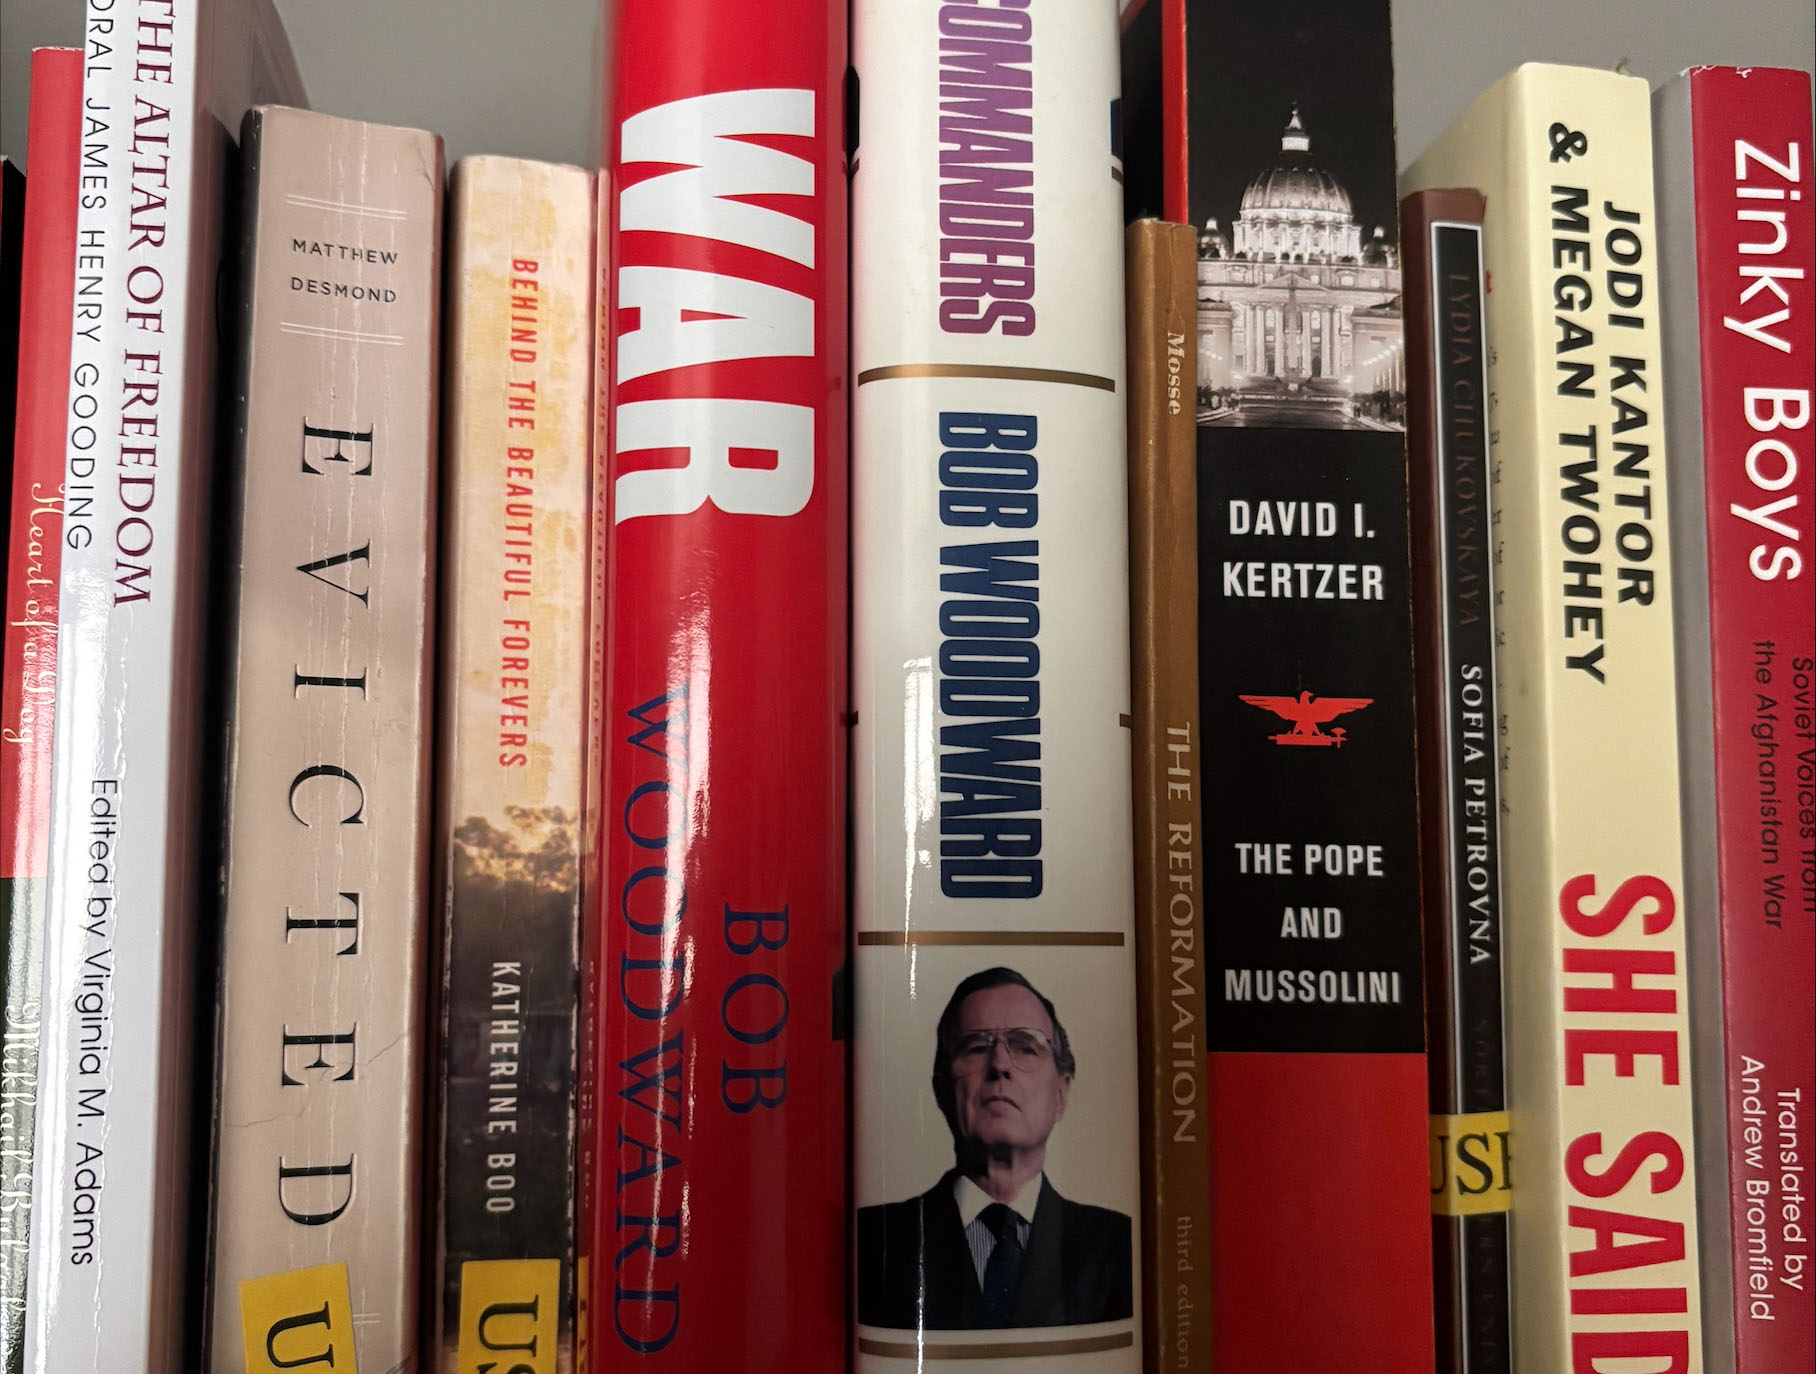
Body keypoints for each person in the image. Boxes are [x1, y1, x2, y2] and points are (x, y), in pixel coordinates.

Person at [856, 966, 1133, 1331]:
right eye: (976, 1047)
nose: (1000, 1065)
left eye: (1026, 1046)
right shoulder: (876, 1240)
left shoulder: (1119, 1246)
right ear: (941, 1090)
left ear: (1061, 1093)